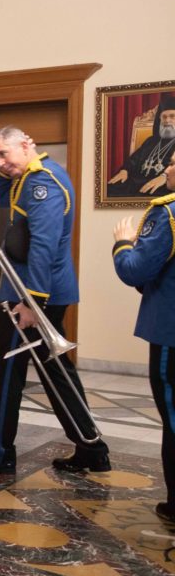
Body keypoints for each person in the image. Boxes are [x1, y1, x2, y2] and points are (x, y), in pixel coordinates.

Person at [0, 126, 110, 475]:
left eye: (4, 154)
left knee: (6, 373)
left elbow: (43, 245)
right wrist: (5, 168)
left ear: (27, 145)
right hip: (32, 291)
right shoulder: (25, 178)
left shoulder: (42, 182)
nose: (0, 163)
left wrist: (32, 303)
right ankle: (91, 447)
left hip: (30, 295)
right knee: (57, 372)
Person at [112, 151, 175, 522]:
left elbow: (135, 271)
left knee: (173, 417)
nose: (167, 167)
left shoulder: (167, 213)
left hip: (170, 332)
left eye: (174, 163)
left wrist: (122, 244)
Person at [107, 96, 175, 197]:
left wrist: (165, 177)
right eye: (164, 117)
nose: (167, 120)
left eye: (172, 116)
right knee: (110, 189)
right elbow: (133, 159)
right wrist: (125, 170)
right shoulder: (151, 141)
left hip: (164, 184)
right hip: (137, 181)